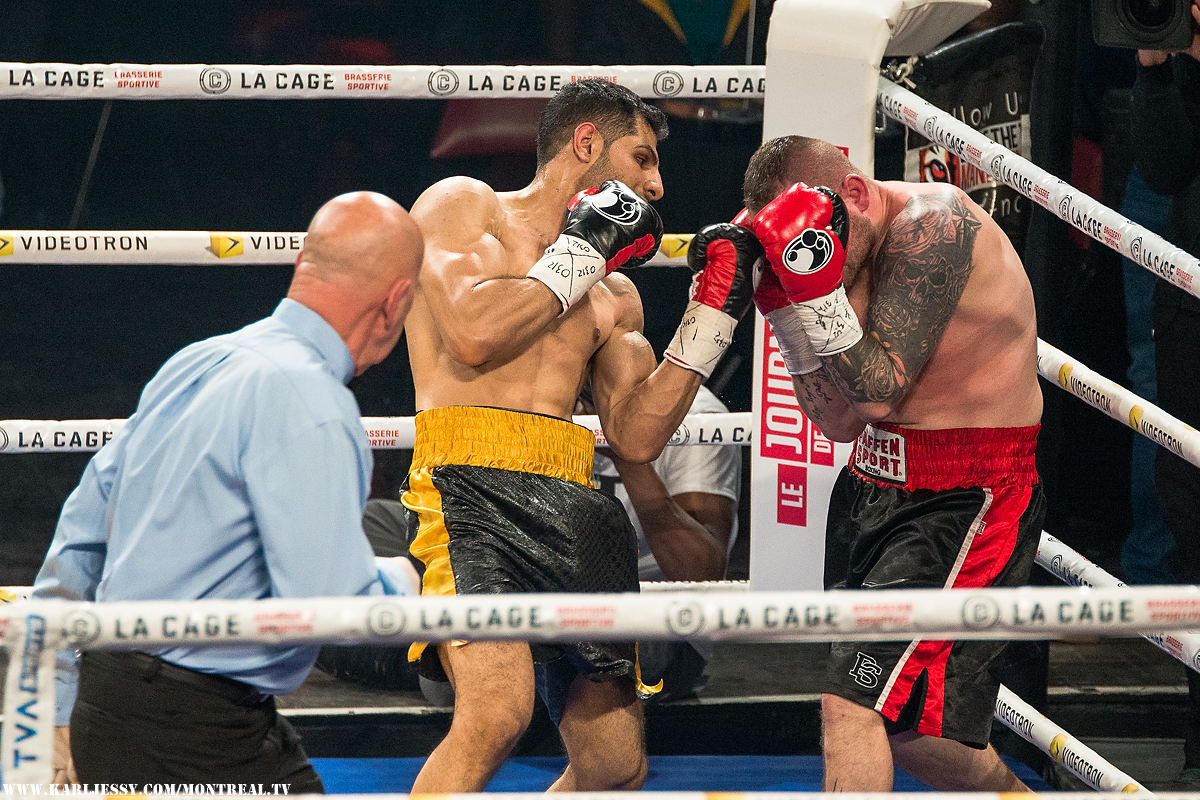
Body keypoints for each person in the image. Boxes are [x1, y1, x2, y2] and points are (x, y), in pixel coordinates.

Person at [401, 77, 758, 793]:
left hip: (574, 493)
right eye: (643, 159)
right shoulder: (465, 207)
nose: (656, 186)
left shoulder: (615, 294)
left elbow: (635, 436)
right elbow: (473, 334)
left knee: (614, 765)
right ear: (585, 142)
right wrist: (580, 250)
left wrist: (710, 320)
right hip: (465, 479)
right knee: (497, 714)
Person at [32, 191, 425, 788]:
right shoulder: (313, 402)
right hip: (196, 727)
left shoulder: (198, 361)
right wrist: (407, 579)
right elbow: (333, 606)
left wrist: (55, 699)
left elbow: (80, 535)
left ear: (303, 268)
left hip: (108, 698)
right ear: (397, 302)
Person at [742, 136, 1044, 792]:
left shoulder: (936, 222)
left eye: (816, 244)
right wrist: (784, 307)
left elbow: (878, 392)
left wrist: (813, 293)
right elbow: (839, 421)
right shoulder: (840, 247)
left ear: (853, 193)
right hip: (871, 487)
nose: (810, 260)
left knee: (851, 706)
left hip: (965, 494)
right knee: (904, 728)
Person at [1131, 5, 1200, 782]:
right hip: (1192, 317)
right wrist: (1162, 64)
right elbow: (1163, 166)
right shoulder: (1183, 67)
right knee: (1191, 515)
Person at [592, 383, 740, 701]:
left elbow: (702, 574)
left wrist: (626, 453)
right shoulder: (529, 403)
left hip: (665, 623)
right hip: (559, 600)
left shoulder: (696, 415)